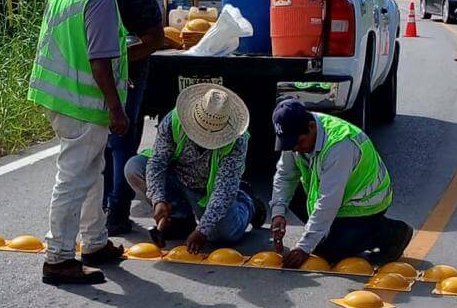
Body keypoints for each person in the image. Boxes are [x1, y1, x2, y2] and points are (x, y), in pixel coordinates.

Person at [28, 0, 160, 286]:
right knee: (74, 177)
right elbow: (99, 59)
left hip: (59, 92)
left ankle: (95, 242)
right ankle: (58, 257)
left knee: (90, 170)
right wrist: (117, 110)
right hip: (83, 100)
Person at [268, 100, 412, 268]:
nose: (295, 149)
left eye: (298, 143)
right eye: (290, 145)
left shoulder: (339, 144)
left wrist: (304, 247)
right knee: (295, 205)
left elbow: (329, 201)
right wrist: (278, 214)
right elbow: (285, 176)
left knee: (328, 251)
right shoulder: (295, 135)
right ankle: (333, 233)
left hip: (364, 203)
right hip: (335, 195)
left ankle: (389, 233)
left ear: (311, 127)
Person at [124, 84, 266, 254]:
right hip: (177, 177)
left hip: (206, 189)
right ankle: (179, 219)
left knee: (224, 235)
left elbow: (223, 190)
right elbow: (157, 163)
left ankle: (248, 202)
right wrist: (158, 200)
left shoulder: (237, 139)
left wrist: (202, 231)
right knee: (134, 167)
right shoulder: (173, 120)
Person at [103, 0, 166, 235]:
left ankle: (112, 210)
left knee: (115, 142)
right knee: (117, 143)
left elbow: (153, 39)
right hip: (110, 73)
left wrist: (115, 58)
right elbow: (155, 38)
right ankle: (112, 210)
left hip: (109, 72)